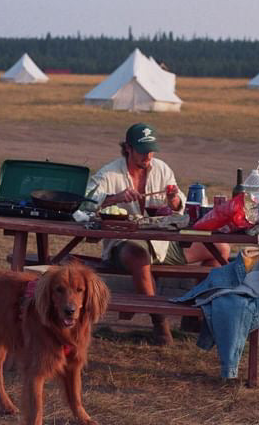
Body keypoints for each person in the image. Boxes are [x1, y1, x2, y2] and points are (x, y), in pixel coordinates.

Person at [86, 123, 230, 346]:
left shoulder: (161, 169)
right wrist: (115, 198)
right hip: (124, 244)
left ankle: (196, 315)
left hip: (163, 243)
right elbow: (86, 203)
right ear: (128, 149)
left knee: (220, 249)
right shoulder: (109, 173)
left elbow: (179, 204)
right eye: (143, 151)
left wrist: (174, 201)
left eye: (151, 150)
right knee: (138, 255)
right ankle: (159, 323)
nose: (148, 156)